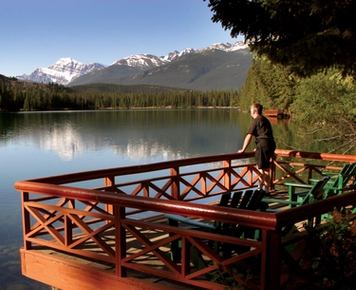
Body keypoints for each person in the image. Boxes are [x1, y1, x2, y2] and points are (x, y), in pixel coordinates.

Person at [238, 103, 276, 191]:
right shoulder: (265, 119)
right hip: (270, 144)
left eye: (251, 110)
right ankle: (264, 189)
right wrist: (259, 147)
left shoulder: (256, 120)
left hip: (263, 145)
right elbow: (265, 134)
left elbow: (249, 135)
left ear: (255, 110)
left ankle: (262, 189)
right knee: (265, 168)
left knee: (261, 168)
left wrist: (243, 149)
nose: (250, 112)